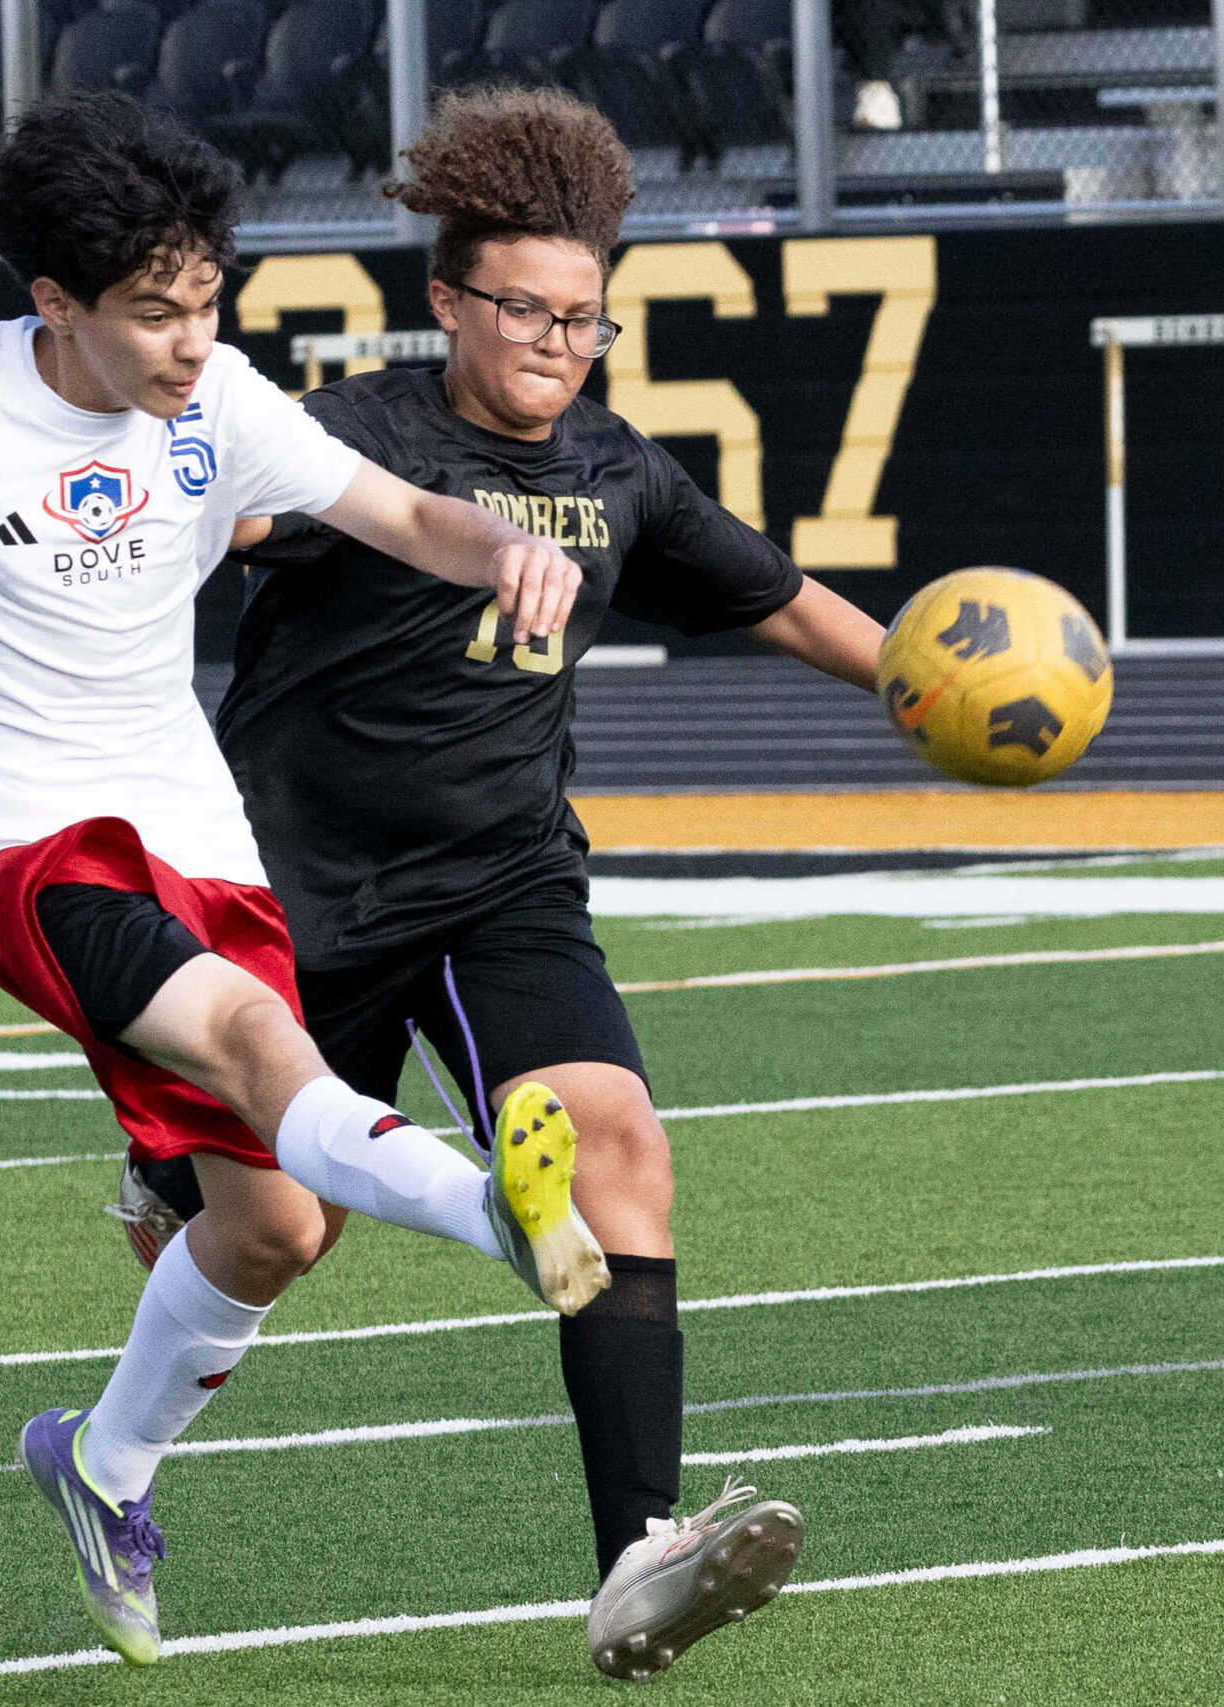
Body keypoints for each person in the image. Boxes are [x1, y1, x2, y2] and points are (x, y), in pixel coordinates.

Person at [0, 92, 616, 1670]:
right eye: (153, 312)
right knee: (250, 1044)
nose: (187, 340)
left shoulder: (218, 397)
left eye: (208, 299)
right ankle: (493, 1204)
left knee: (276, 1229)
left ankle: (102, 1467)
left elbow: (402, 512)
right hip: (32, 848)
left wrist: (502, 551)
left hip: (198, 843)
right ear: (54, 306)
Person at [190, 85, 890, 1681]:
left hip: (502, 887)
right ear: (447, 301)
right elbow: (195, 524)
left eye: (586, 318)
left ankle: (638, 1554)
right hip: (293, 900)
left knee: (621, 1147)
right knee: (276, 1236)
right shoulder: (350, 442)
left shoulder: (618, 469)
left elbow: (777, 599)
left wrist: (925, 683)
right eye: (525, 310)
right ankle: (171, 1195)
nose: (559, 344)